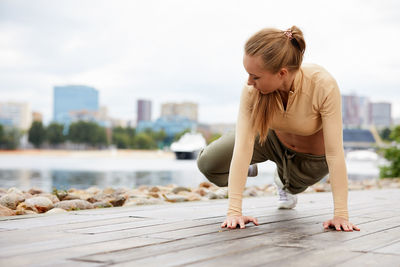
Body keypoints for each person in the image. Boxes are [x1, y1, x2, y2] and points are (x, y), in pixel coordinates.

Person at [196, 26, 360, 232]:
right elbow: (243, 146)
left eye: (255, 76)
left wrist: (341, 215)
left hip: (308, 159)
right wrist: (234, 212)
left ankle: (283, 184)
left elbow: (336, 154)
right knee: (208, 163)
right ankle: (247, 168)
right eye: (248, 74)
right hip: (269, 139)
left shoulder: (323, 85)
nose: (249, 82)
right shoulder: (252, 90)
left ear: (281, 73)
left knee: (292, 186)